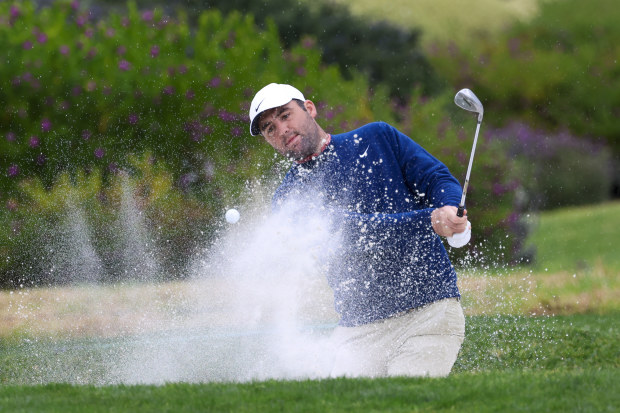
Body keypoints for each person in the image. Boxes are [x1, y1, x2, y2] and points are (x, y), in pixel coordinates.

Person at [248, 83, 471, 378]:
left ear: (309, 109)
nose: (281, 129)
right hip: (358, 330)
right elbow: (352, 235)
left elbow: (436, 177)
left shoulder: (376, 138)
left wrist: (449, 208)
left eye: (285, 115)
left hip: (430, 313)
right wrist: (429, 220)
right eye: (269, 129)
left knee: (405, 401)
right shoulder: (289, 199)